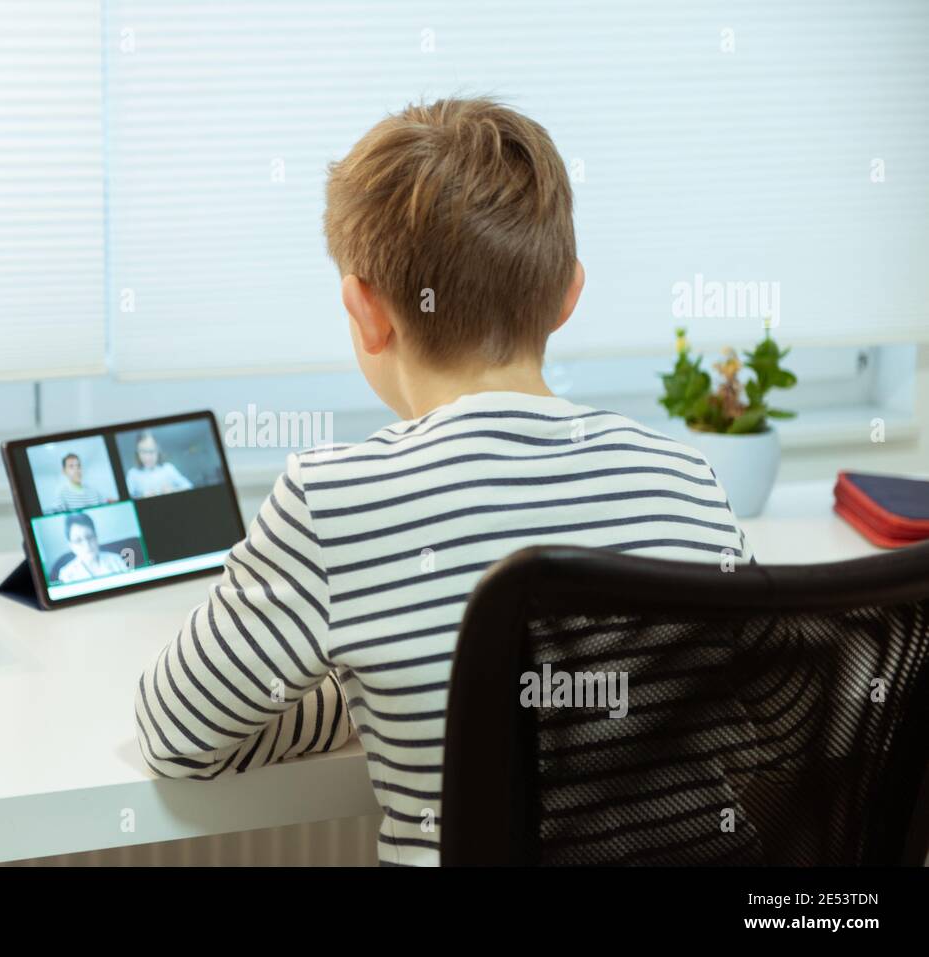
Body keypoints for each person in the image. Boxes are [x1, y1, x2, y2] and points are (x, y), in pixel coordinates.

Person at [133, 98, 753, 866]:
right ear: (567, 294)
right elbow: (755, 706)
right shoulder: (688, 477)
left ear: (365, 311)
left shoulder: (333, 500)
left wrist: (381, 698)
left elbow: (178, 733)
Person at [55, 512, 129, 583]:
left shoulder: (116, 560)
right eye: (78, 540)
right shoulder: (66, 574)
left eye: (89, 537)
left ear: (96, 537)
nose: (87, 544)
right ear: (71, 546)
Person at [124, 430, 192, 498]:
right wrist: (142, 497)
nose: (147, 457)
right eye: (143, 451)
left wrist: (173, 490)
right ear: (137, 453)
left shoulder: (168, 468)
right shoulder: (132, 474)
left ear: (158, 451)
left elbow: (189, 486)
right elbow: (126, 500)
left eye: (151, 451)